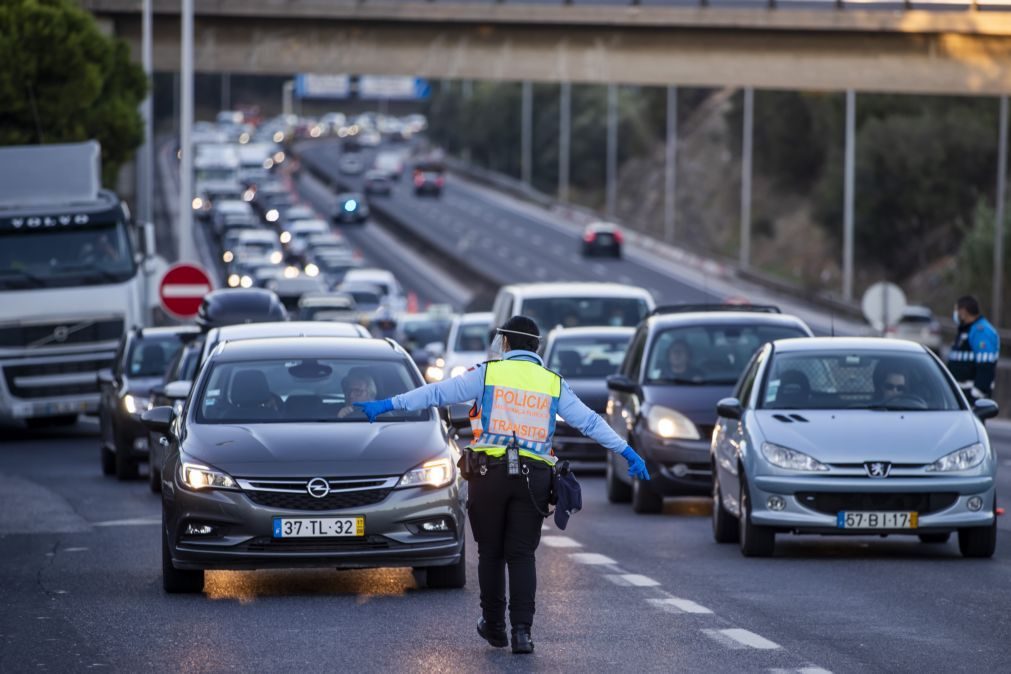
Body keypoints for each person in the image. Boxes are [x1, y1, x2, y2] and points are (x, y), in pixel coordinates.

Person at [353, 315, 649, 655]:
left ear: (506, 343)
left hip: (487, 475)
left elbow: (437, 393)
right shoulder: (552, 383)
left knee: (491, 552)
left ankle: (494, 626)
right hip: (534, 478)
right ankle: (522, 632)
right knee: (522, 555)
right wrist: (626, 451)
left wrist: (388, 405)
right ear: (535, 347)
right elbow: (590, 422)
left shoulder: (487, 373)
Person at [947, 295, 1000, 401]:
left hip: (971, 396)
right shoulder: (965, 330)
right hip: (961, 394)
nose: (955, 314)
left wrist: (976, 395)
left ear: (963, 312)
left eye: (956, 310)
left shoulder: (981, 331)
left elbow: (986, 366)